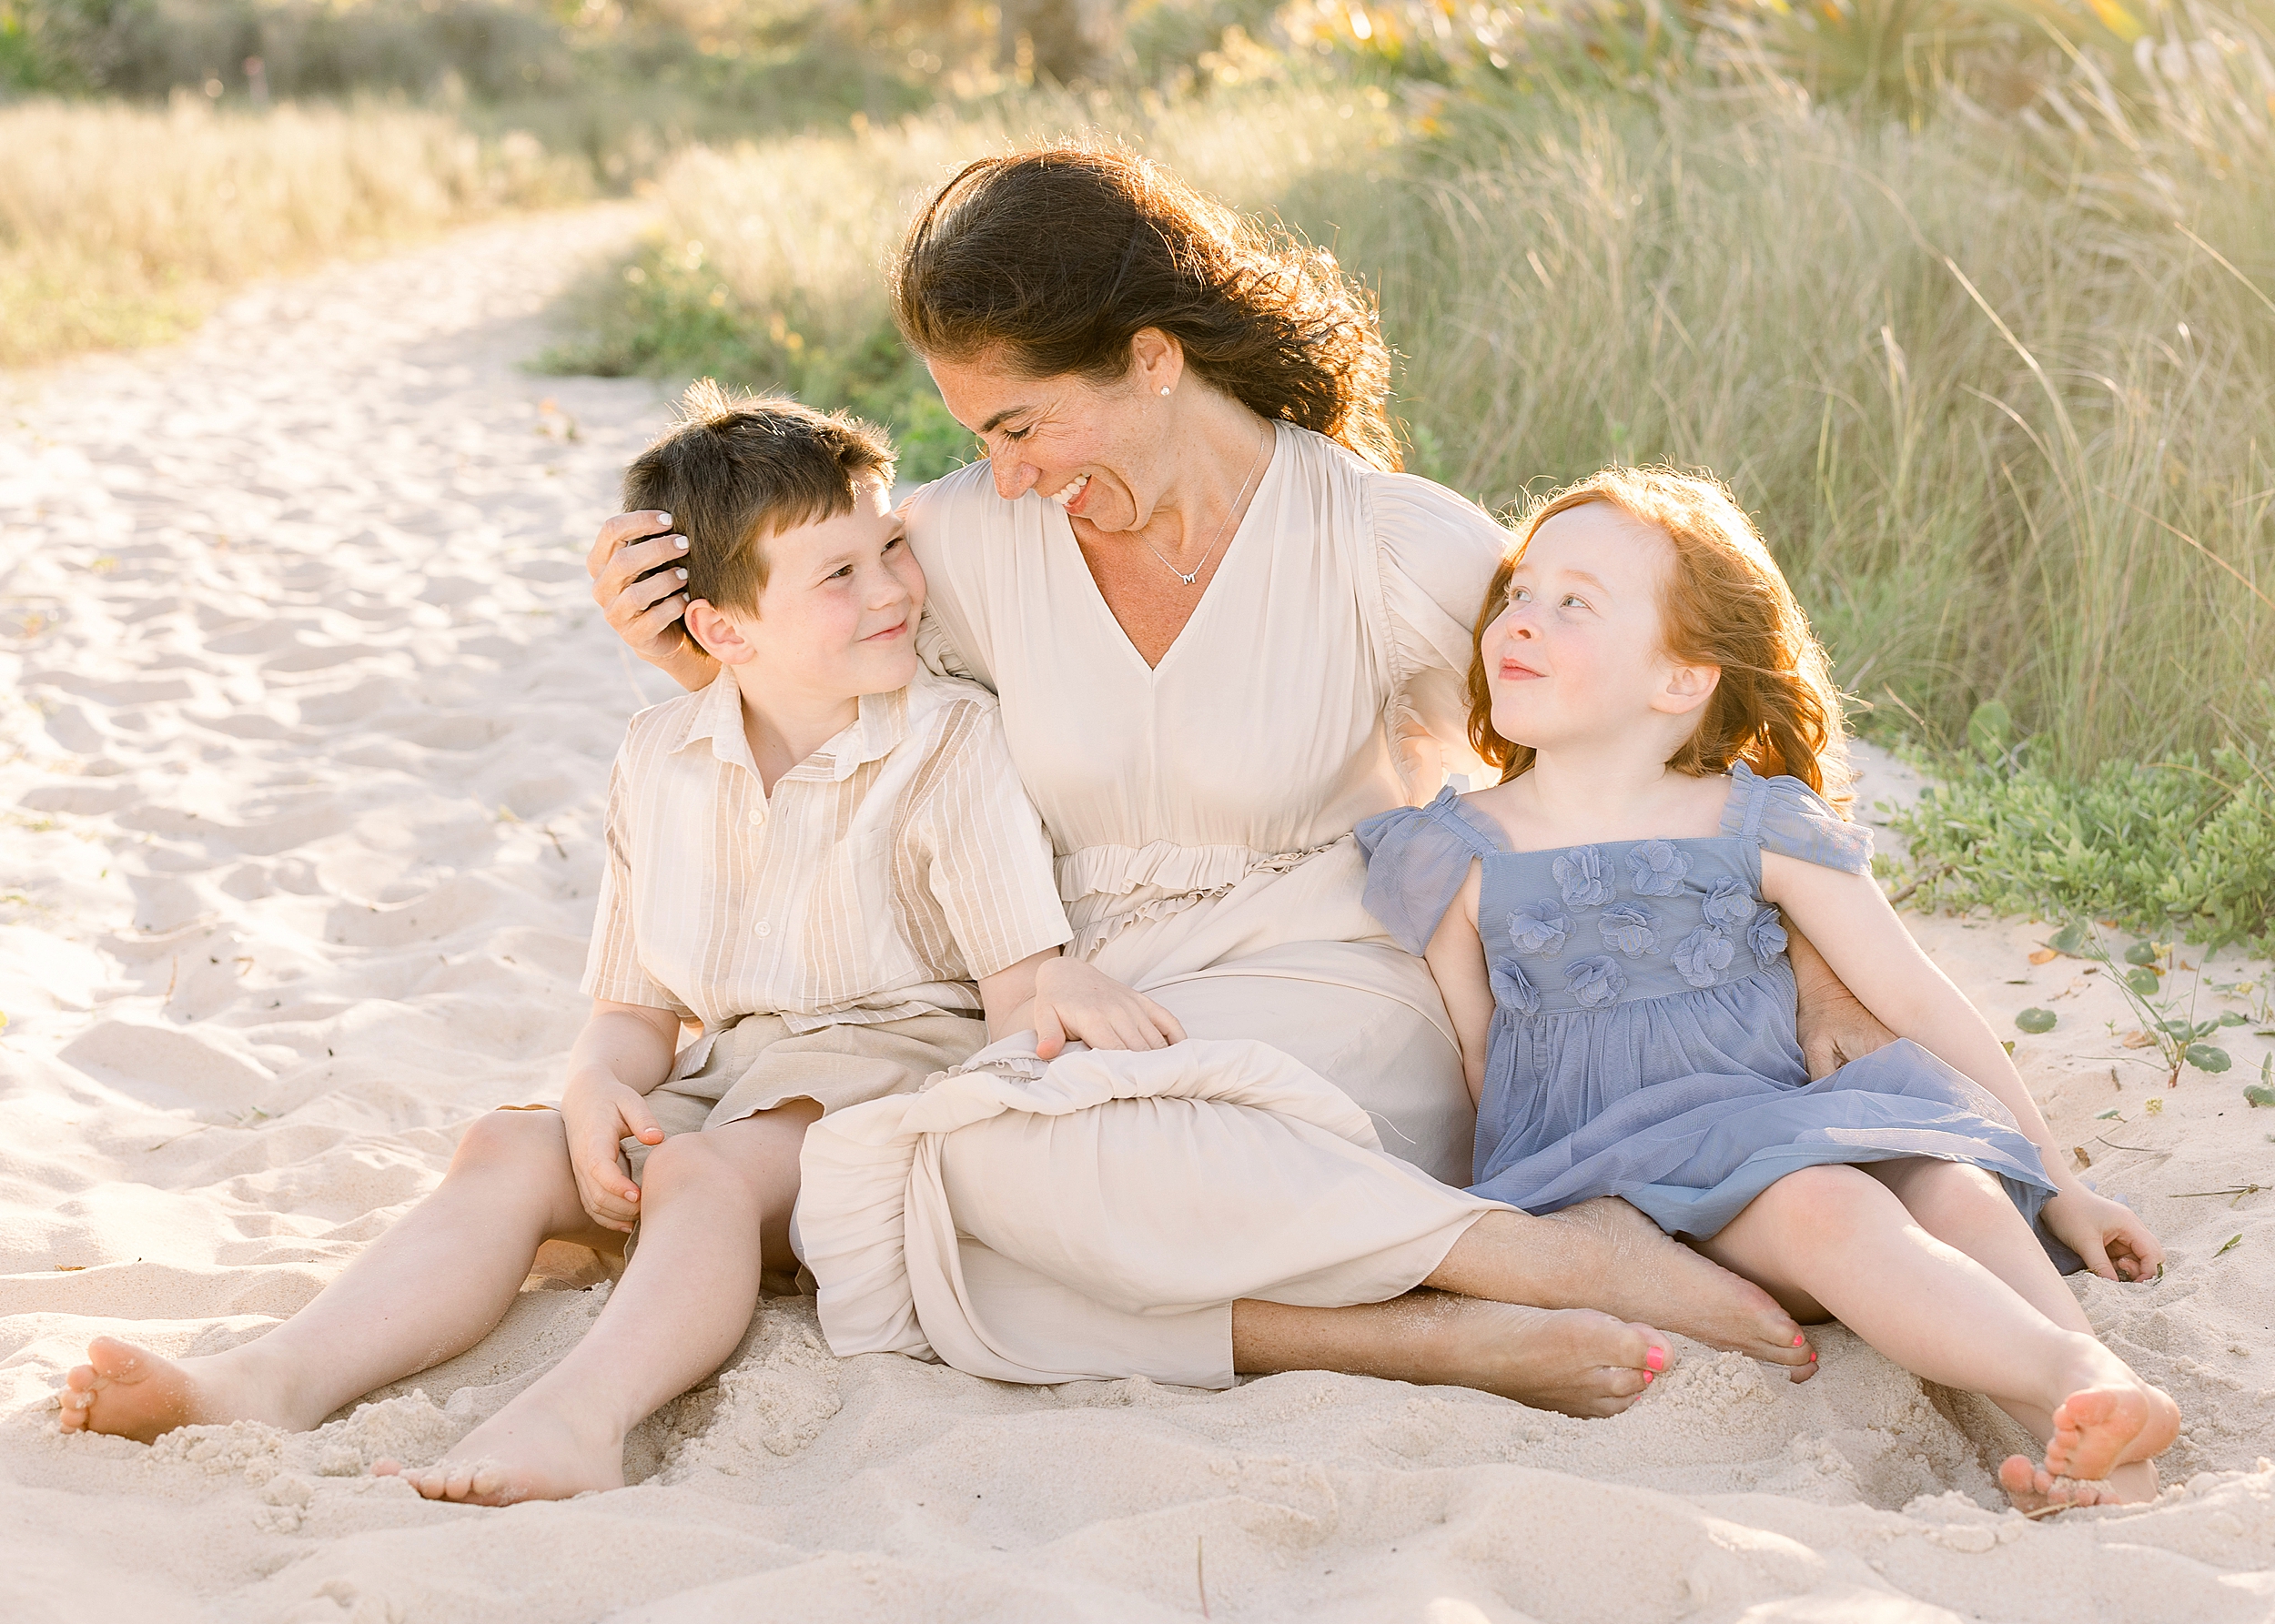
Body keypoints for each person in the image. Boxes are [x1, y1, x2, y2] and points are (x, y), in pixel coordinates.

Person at [587, 146, 1884, 1407]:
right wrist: (698, 660)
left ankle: (1514, 1258)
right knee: (941, 1183)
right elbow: (819, 685)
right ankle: (1446, 1322)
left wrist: (1822, 965)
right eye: (981, 435)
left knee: (986, 1169)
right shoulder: (965, 543)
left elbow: (1677, 722)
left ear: (1153, 360)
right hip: (1089, 1001)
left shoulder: (1380, 542)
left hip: (1338, 981)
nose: (1009, 469)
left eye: (1024, 422)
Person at [56, 388, 1177, 1503]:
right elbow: (638, 1010)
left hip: (879, 1079)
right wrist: (593, 1085)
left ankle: (578, 1419)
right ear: (723, 630)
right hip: (731, 1076)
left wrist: (1062, 984)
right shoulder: (661, 756)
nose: (890, 589)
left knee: (701, 1168)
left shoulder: (949, 742)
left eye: (890, 547)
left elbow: (1011, 983)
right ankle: (269, 1379)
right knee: (509, 1145)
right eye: (839, 575)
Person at [1355, 464, 2177, 1506]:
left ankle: (2101, 1433)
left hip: (1786, 1125)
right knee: (1827, 1202)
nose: (1519, 619)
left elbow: (1918, 1000)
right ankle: (2074, 1380)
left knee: (1954, 1185)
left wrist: (2062, 1185)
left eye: (1573, 605)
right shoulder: (1458, 851)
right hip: (1632, 1179)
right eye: (1518, 592)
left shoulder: (1754, 822)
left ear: (1681, 679)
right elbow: (1480, 1066)